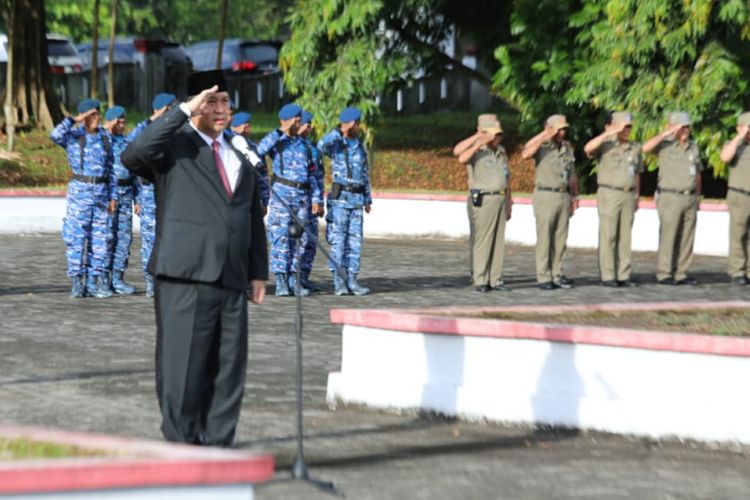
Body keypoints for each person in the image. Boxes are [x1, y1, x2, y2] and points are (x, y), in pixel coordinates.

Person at [121, 70, 268, 446]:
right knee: (182, 366)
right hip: (185, 274)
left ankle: (219, 444)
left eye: (226, 103)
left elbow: (251, 214)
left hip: (232, 278)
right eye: (212, 102)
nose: (220, 110)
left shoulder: (241, 152)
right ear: (196, 106)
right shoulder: (175, 146)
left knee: (228, 368)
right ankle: (182, 443)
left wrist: (257, 271)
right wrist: (183, 110)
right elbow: (134, 154)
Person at [51, 98, 116, 299]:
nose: (97, 118)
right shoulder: (73, 136)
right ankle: (77, 281)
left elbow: (112, 169)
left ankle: (93, 281)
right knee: (76, 238)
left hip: (101, 193)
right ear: (85, 117)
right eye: (92, 114)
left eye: (98, 114)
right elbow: (54, 135)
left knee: (99, 239)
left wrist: (113, 196)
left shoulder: (105, 138)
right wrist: (74, 119)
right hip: (80, 193)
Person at [257, 103, 322, 296]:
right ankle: (280, 281)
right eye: (295, 121)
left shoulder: (305, 146)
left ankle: (294, 279)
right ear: (285, 122)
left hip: (301, 199)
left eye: (299, 121)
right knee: (280, 238)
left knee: (298, 239)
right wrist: (280, 130)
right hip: (282, 198)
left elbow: (312, 176)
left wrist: (317, 198)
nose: (298, 124)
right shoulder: (278, 141)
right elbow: (259, 151)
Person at [453, 113, 513, 292]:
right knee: (482, 240)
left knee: (497, 240)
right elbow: (459, 155)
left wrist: (509, 202)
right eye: (494, 134)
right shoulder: (477, 150)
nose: (498, 138)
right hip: (483, 199)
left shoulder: (501, 152)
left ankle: (495, 279)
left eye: (499, 134)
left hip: (500, 198)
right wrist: (479, 139)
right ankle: (480, 279)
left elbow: (507, 179)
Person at [642, 112, 702, 285]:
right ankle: (664, 272)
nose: (685, 130)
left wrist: (697, 196)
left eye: (686, 127)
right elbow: (645, 148)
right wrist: (665, 134)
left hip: (689, 196)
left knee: (687, 237)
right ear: (672, 127)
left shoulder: (693, 147)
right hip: (670, 196)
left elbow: (697, 173)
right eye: (681, 127)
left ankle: (682, 272)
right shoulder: (664, 145)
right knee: (669, 235)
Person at [584, 111, 643, 287]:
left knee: (625, 236)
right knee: (609, 234)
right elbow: (588, 148)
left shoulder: (634, 147)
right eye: (623, 127)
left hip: (628, 194)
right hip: (609, 193)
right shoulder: (605, 145)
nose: (627, 130)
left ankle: (623, 274)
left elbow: (637, 173)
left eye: (629, 127)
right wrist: (608, 133)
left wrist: (637, 195)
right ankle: (608, 275)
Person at [318, 107, 372, 296]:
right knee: (338, 242)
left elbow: (365, 174)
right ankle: (338, 281)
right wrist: (339, 131)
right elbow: (320, 146)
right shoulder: (336, 144)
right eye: (353, 124)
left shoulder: (360, 146)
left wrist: (367, 198)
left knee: (355, 242)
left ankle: (352, 279)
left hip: (356, 200)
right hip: (340, 201)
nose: (356, 127)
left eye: (356, 124)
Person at [521, 114, 579, 290]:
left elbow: (572, 174)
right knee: (545, 237)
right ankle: (543, 276)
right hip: (545, 194)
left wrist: (575, 196)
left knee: (560, 238)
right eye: (558, 129)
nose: (561, 132)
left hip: (563, 194)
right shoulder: (542, 146)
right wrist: (544, 135)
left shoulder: (567, 148)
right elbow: (526, 153)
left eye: (563, 129)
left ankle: (557, 273)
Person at [130, 93, 175, 298]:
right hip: (150, 191)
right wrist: (152, 119)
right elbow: (130, 144)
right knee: (150, 238)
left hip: (172, 189)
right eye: (169, 107)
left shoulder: (175, 129)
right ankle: (151, 280)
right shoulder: (146, 130)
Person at [103, 105, 138, 295]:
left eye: (124, 122)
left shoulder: (126, 143)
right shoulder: (101, 141)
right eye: (119, 122)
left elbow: (135, 171)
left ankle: (117, 278)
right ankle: (103, 279)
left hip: (126, 193)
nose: (122, 125)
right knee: (107, 239)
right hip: (108, 195)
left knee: (124, 240)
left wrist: (138, 199)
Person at [719, 112, 750, 285]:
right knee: (738, 234)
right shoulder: (734, 145)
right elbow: (724, 157)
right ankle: (737, 271)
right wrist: (740, 136)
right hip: (740, 195)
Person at [298, 110, 325, 292]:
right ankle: (294, 279)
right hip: (298, 200)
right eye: (307, 124)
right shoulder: (288, 146)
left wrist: (320, 200)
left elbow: (318, 176)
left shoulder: (312, 147)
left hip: (312, 199)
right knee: (299, 240)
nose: (310, 128)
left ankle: (304, 277)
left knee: (311, 240)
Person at [228, 111, 269, 211]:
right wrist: (265, 200)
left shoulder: (252, 146)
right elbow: (262, 174)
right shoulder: (227, 142)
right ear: (245, 127)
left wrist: (265, 200)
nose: (250, 129)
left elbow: (262, 172)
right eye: (248, 125)